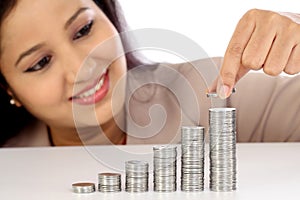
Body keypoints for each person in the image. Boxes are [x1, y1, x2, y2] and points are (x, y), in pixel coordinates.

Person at [0, 0, 299, 147]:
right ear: (7, 88)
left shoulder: (209, 90)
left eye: (84, 29)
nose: (81, 68)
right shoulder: (10, 160)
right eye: (40, 63)